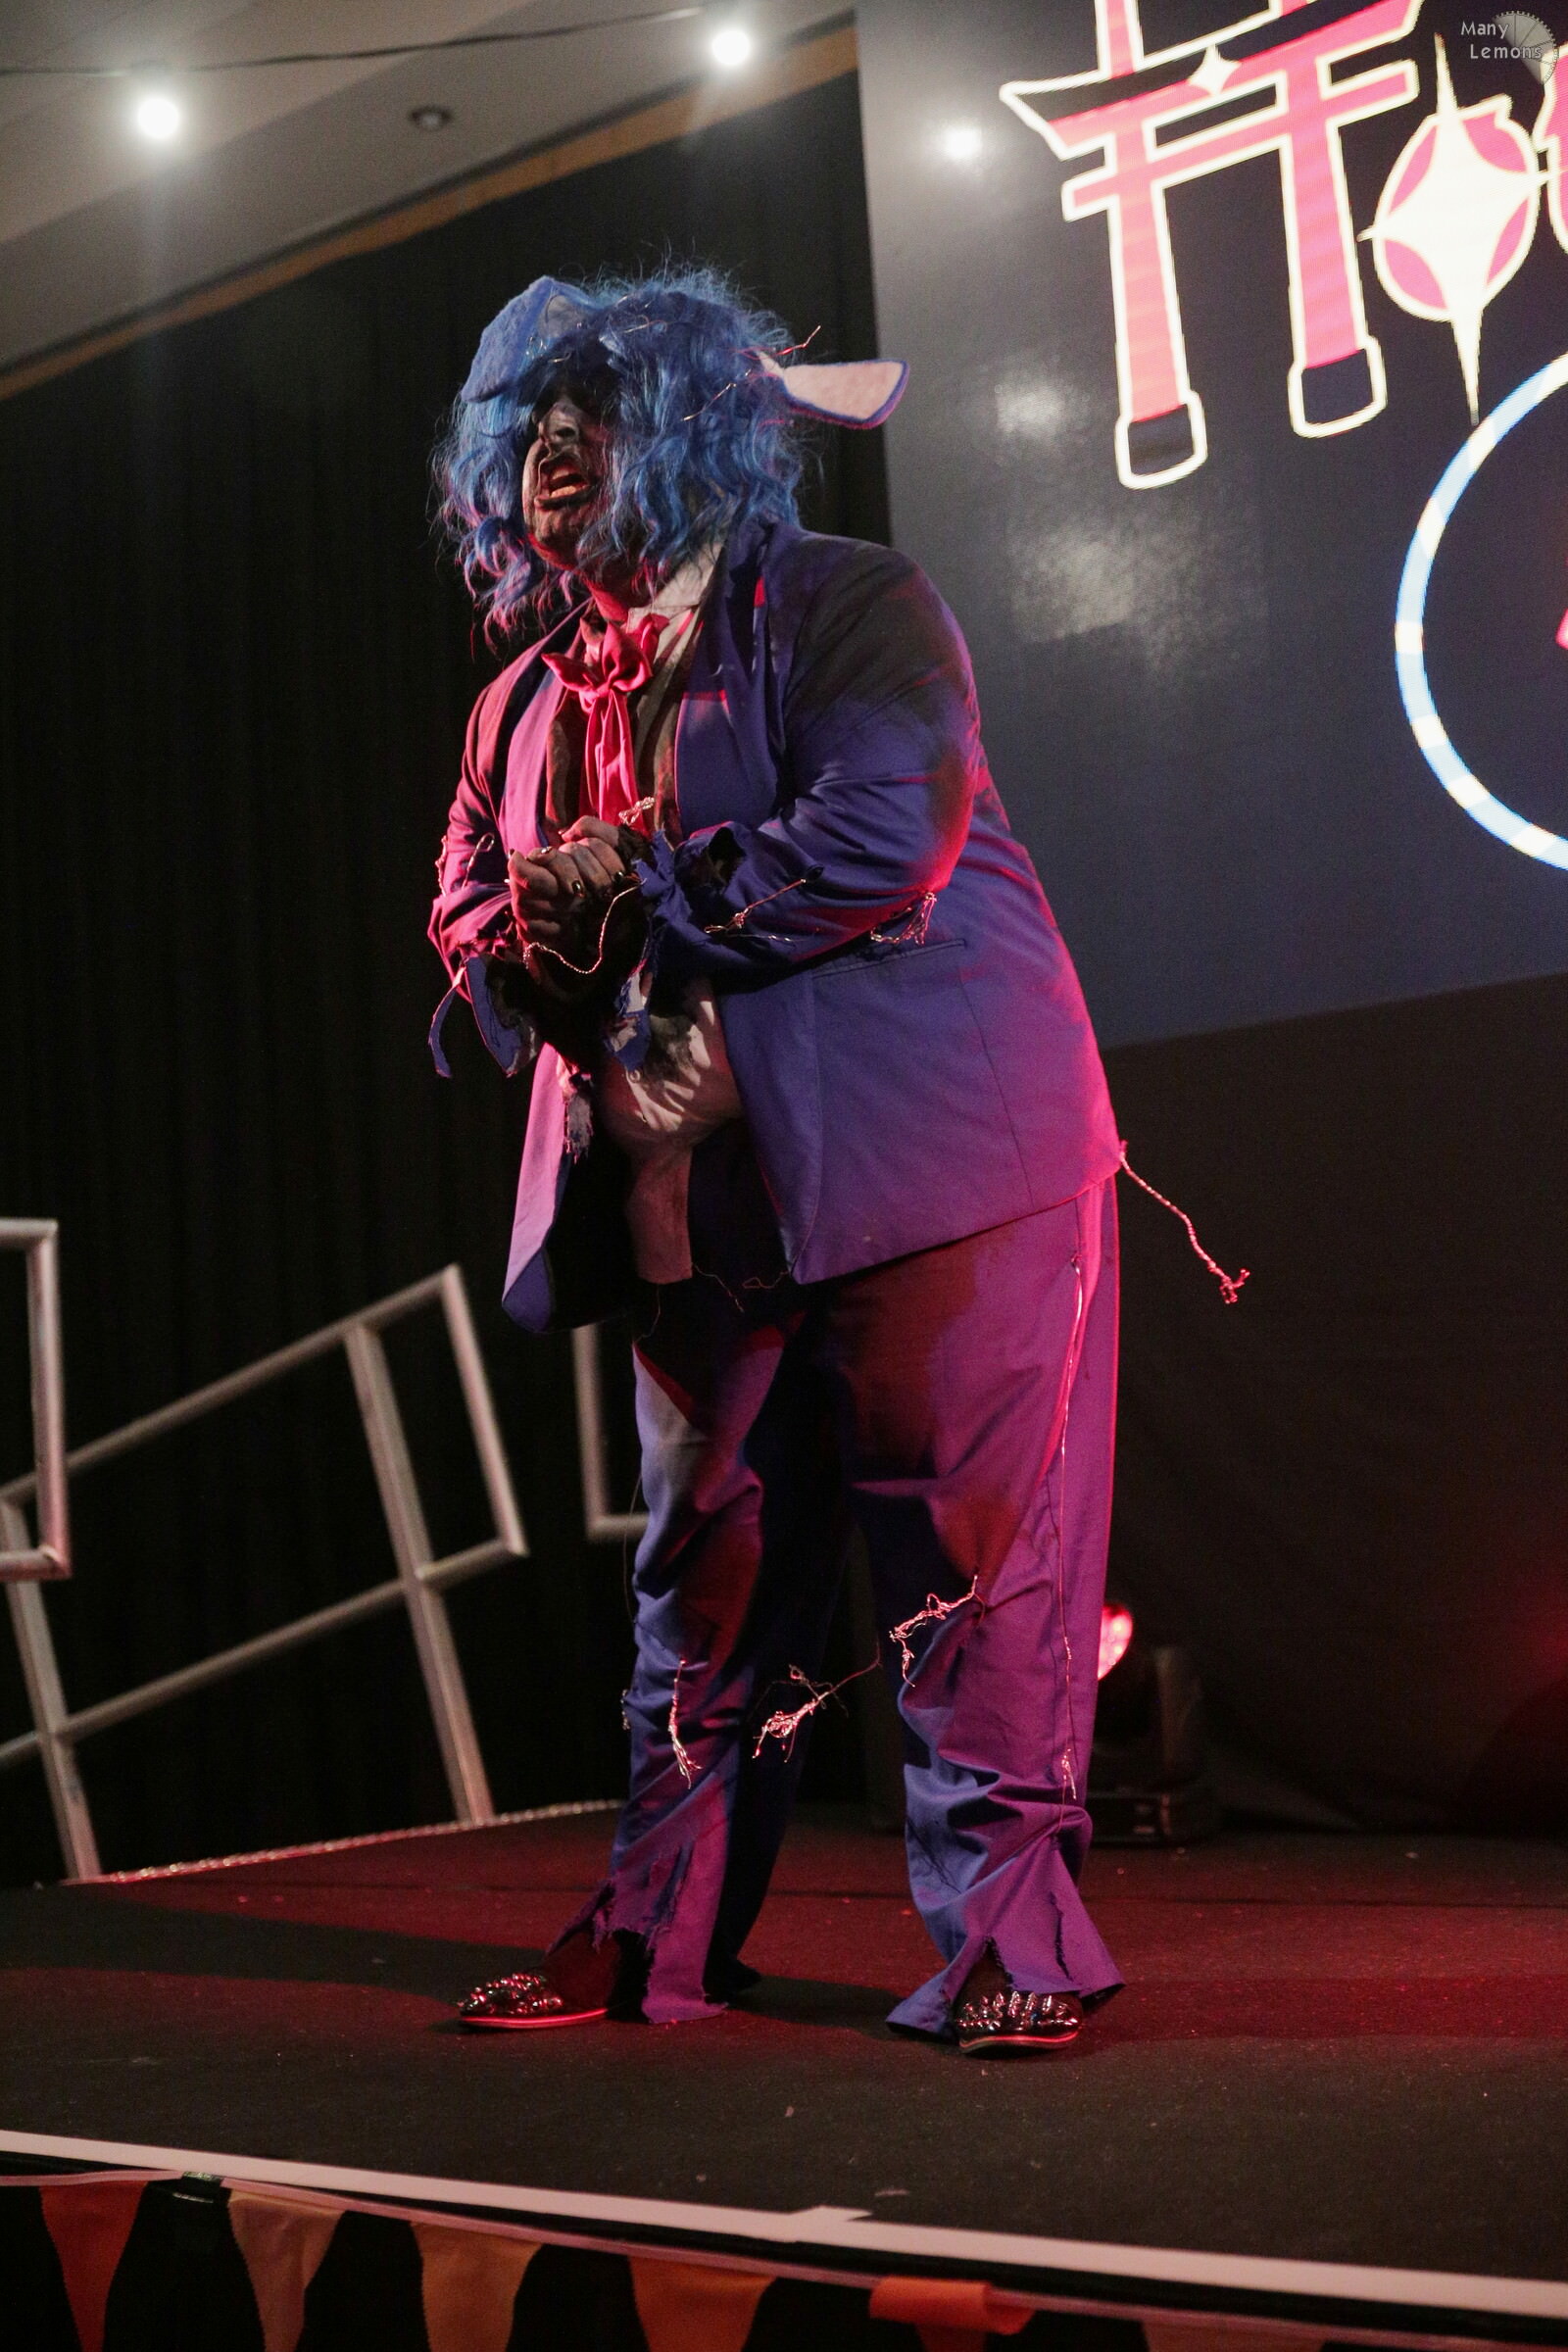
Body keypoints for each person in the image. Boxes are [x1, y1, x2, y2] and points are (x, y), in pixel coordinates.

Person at [428, 270, 1124, 2053]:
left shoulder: (846, 601)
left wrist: (645, 897)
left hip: (939, 1160)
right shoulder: (517, 708)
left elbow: (887, 831)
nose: (560, 442)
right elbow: (469, 912)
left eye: (602, 408)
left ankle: (1013, 1946)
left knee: (973, 1569)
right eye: (535, 418)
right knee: (702, 1583)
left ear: (698, 430)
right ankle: (651, 1940)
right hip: (703, 1209)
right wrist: (536, 950)